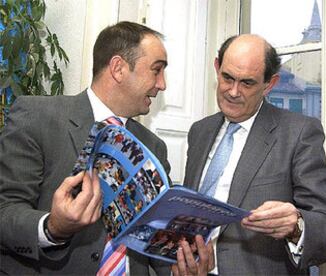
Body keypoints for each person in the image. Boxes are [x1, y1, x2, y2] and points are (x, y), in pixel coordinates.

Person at [0, 21, 211, 275]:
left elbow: (154, 245)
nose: (162, 84)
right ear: (118, 68)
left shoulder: (154, 147)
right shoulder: (36, 116)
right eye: (157, 70)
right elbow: (5, 211)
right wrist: (53, 227)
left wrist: (182, 266)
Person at [183, 34, 326, 275]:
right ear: (217, 67)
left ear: (269, 84)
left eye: (247, 83)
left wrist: (297, 226)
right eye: (227, 77)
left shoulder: (298, 133)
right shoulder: (200, 131)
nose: (233, 91)